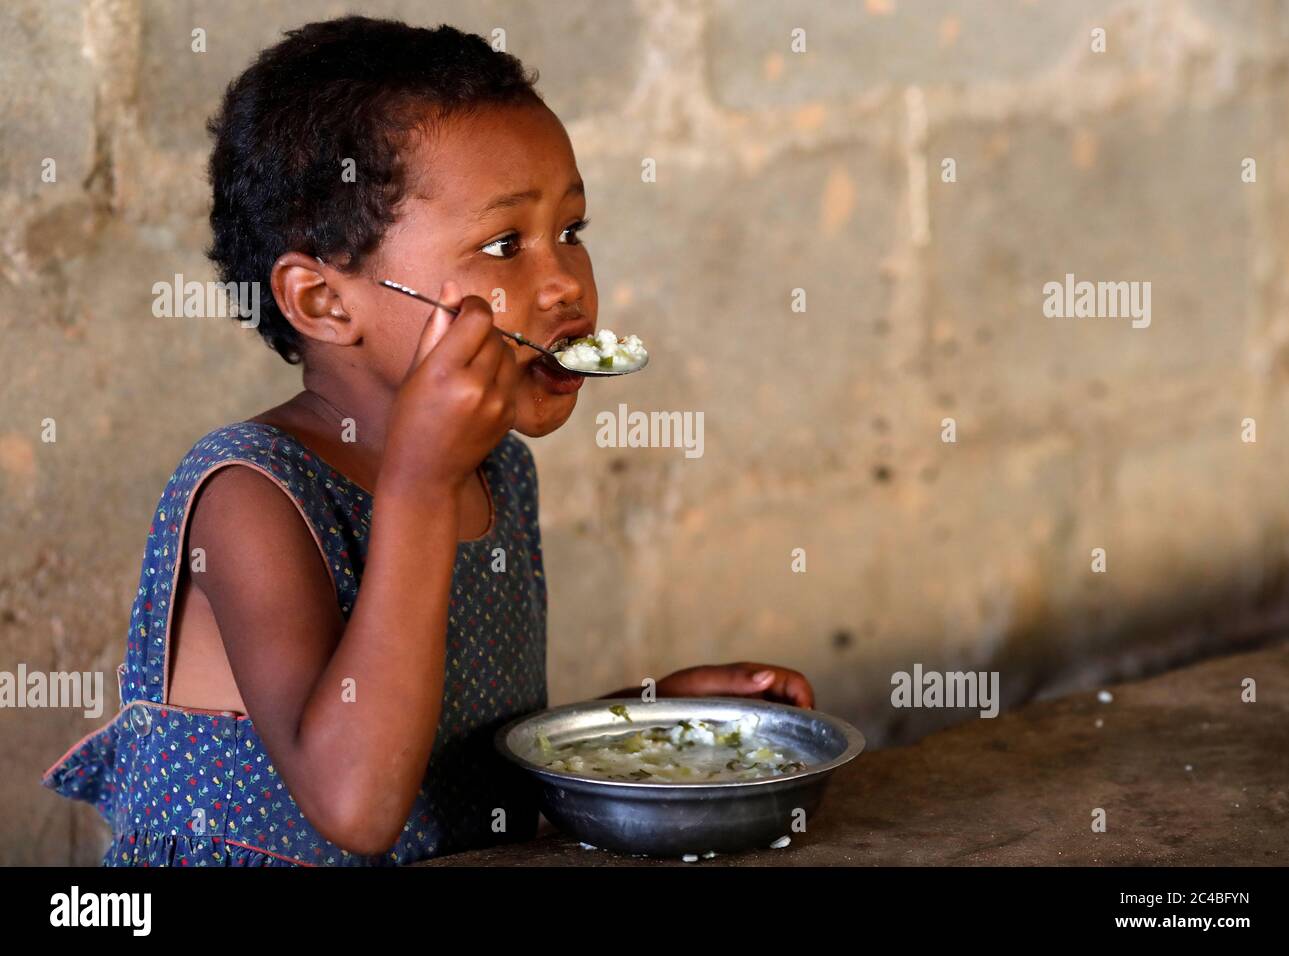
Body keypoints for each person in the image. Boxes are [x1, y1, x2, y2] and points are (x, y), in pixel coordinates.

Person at [42, 15, 814, 866]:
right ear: (324, 303)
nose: (563, 281)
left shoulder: (498, 471)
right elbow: (358, 804)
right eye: (503, 244)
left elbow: (451, 765)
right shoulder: (252, 494)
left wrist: (649, 712)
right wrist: (418, 485)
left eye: (573, 231)